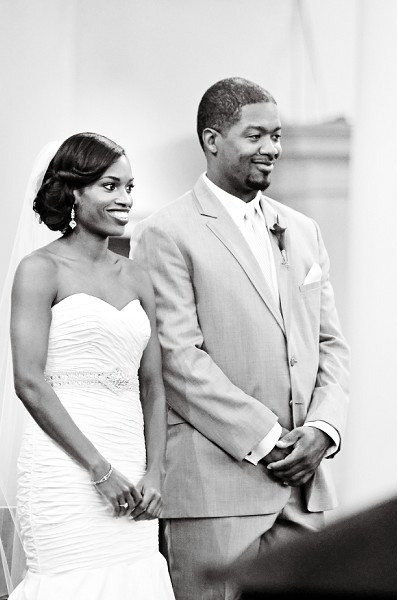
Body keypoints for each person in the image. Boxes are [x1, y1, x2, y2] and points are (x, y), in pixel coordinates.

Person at [131, 77, 350, 599]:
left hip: (304, 490)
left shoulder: (303, 231)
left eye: (277, 136)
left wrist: (322, 429)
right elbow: (180, 360)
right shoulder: (168, 232)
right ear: (212, 139)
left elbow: (331, 347)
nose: (271, 148)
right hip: (215, 489)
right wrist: (270, 440)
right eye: (255, 136)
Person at [0, 132, 175, 600]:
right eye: (110, 186)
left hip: (133, 468)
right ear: (73, 192)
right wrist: (98, 469)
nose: (126, 199)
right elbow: (28, 381)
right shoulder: (40, 269)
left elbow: (152, 385)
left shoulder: (137, 276)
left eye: (129, 187)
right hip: (66, 471)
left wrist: (156, 472)